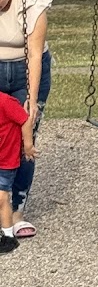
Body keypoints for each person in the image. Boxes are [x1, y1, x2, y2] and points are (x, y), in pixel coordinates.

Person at [0, 0, 52, 239]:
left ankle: (17, 210)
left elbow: (34, 55)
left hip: (26, 70)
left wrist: (31, 101)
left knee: (24, 137)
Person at [0, 91, 37, 254]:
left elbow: (25, 120)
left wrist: (28, 144)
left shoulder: (5, 102)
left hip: (5, 161)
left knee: (2, 198)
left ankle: (8, 236)